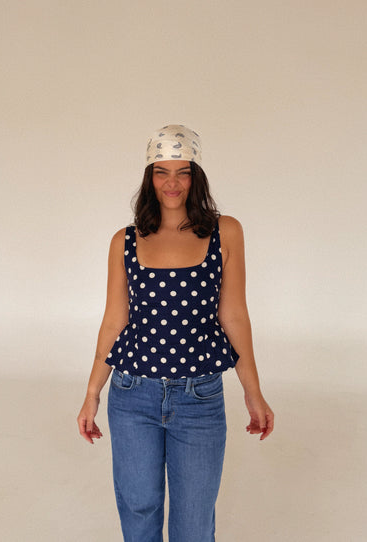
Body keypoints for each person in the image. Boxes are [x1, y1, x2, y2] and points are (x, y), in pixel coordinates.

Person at [77, 123, 274, 542]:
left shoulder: (225, 232)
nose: (172, 183)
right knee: (139, 507)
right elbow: (114, 320)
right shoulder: (125, 241)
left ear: (195, 176)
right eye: (162, 172)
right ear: (149, 177)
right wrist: (93, 392)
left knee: (194, 520)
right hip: (132, 395)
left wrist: (252, 391)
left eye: (183, 172)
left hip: (199, 398)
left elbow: (234, 315)